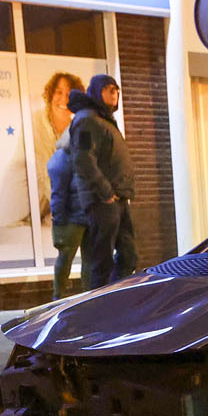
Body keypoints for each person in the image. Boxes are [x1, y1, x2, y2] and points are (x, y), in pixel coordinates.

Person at [70, 73, 137, 289]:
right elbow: (83, 159)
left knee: (129, 256)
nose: (115, 94)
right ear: (97, 92)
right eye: (109, 89)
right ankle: (100, 300)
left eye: (117, 90)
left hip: (118, 198)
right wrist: (106, 192)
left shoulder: (104, 120)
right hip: (103, 201)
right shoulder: (86, 120)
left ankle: (116, 295)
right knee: (102, 261)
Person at [32, 71, 86, 229]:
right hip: (28, 205)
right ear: (50, 95)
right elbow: (45, 173)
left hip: (56, 205)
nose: (64, 99)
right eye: (59, 92)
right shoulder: (36, 123)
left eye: (69, 94)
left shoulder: (78, 126)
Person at [46, 126, 87, 300]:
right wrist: (59, 220)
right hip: (72, 219)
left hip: (83, 217)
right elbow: (58, 193)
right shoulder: (63, 158)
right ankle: (59, 295)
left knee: (82, 260)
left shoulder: (77, 157)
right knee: (66, 257)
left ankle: (86, 295)